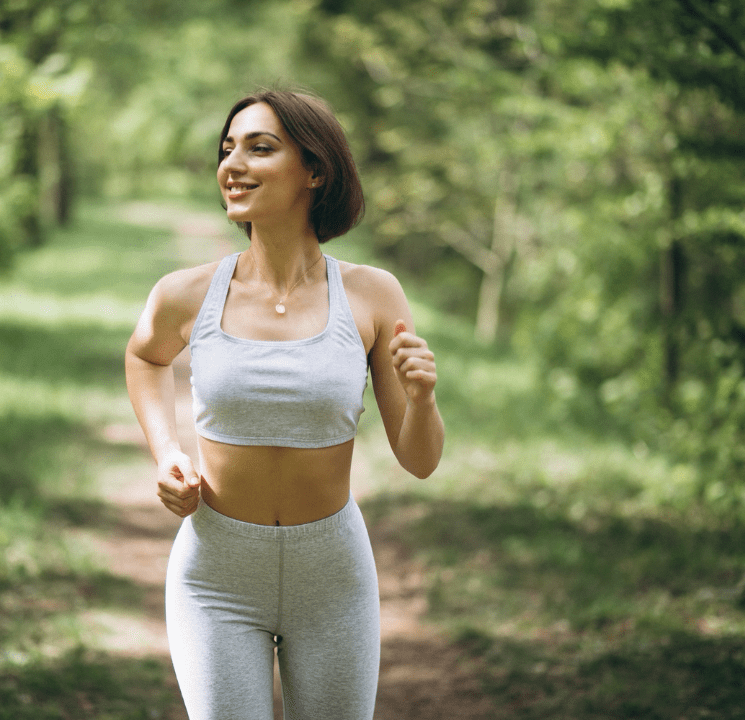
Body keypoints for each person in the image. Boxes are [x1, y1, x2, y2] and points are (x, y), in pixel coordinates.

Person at [125, 89, 444, 720]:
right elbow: (145, 357)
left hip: (333, 581)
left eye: (259, 148)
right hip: (216, 576)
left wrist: (423, 398)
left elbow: (420, 460)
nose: (233, 164)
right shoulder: (186, 294)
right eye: (227, 149)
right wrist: (167, 454)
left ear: (316, 171)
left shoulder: (374, 295)